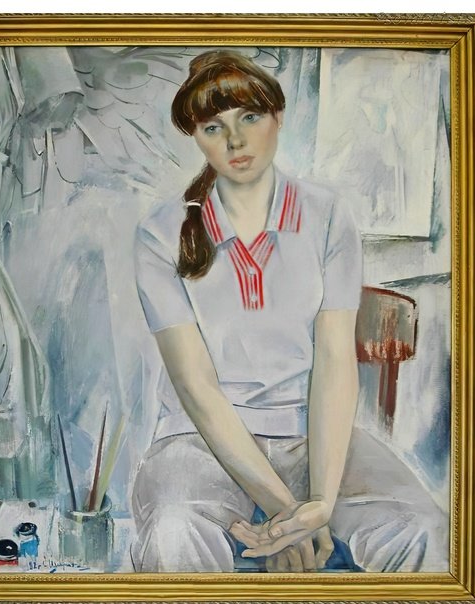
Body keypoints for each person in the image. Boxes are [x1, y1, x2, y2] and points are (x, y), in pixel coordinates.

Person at [130, 49, 448, 573]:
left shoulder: (327, 215)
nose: (235, 141)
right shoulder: (161, 233)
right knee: (173, 530)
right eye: (213, 127)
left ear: (277, 116)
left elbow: (335, 362)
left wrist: (319, 502)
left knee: (426, 530)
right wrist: (288, 513)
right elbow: (197, 388)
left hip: (314, 437)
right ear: (196, 135)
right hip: (199, 441)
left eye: (250, 117)